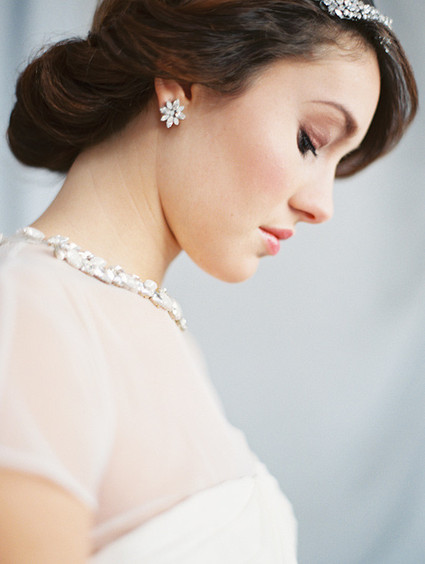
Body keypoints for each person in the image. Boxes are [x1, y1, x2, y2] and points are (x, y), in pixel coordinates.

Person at [0, 0, 417, 562]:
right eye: (310, 141)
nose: (322, 206)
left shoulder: (159, 338)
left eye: (336, 165)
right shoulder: (33, 314)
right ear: (182, 77)